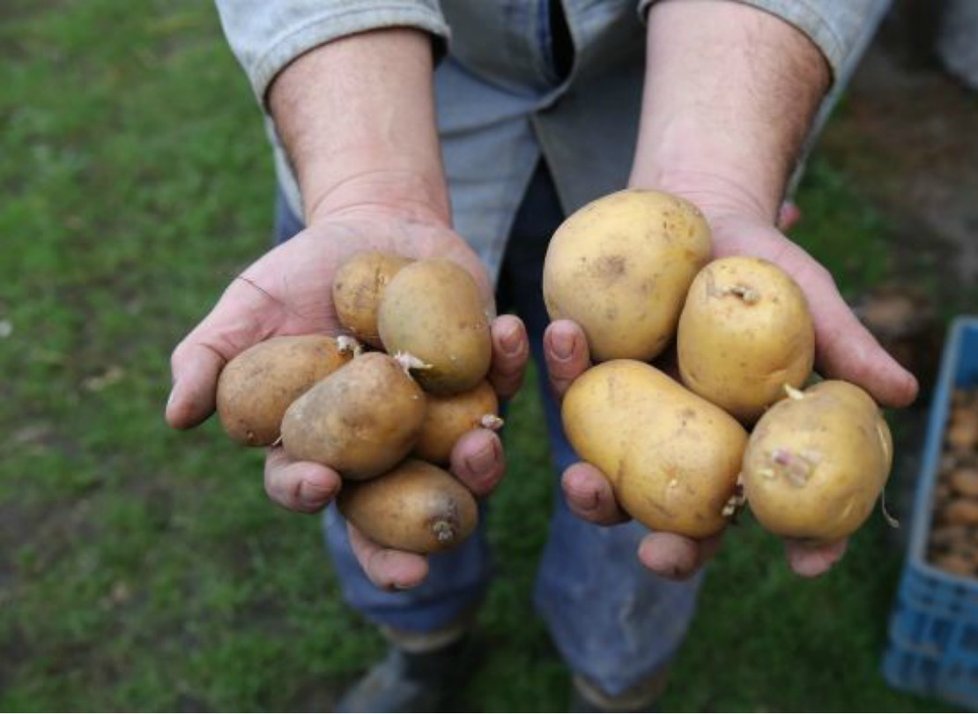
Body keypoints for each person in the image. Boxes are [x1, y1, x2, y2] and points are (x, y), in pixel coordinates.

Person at [165, 1, 919, 710]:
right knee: (370, 474)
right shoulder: (373, 303)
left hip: (676, 100)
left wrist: (719, 180)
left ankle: (612, 678)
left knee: (641, 526)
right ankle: (424, 640)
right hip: (379, 104)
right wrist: (367, 189)